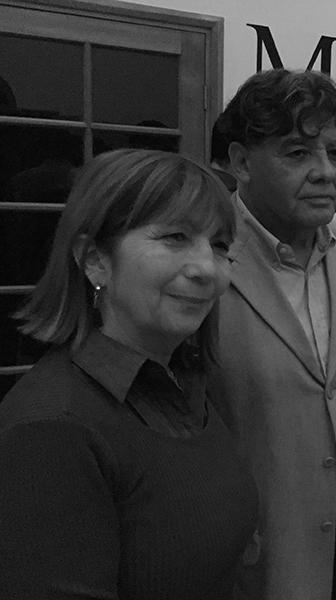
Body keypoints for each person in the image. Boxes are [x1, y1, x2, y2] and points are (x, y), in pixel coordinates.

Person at [0, 149, 259, 599]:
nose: (208, 270)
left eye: (219, 245)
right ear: (94, 259)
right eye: (175, 237)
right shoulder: (54, 428)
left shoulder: (182, 382)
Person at [209, 69, 336, 600]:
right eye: (297, 153)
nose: (325, 172)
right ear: (242, 162)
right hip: (254, 559)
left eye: (334, 153)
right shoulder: (205, 258)